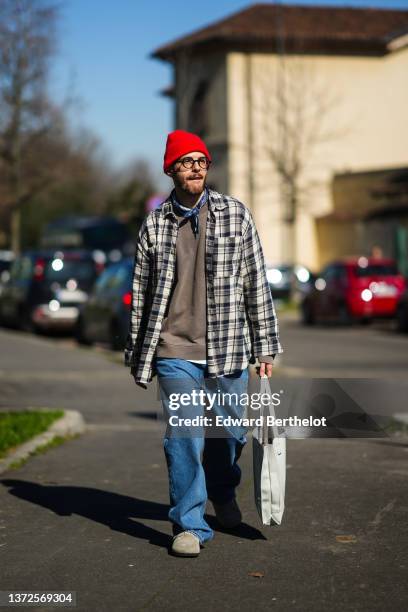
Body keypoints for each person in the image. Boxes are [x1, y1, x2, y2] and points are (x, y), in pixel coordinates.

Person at [125, 130, 283, 557]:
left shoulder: (235, 214)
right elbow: (140, 293)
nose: (196, 166)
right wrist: (139, 354)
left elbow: (256, 283)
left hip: (229, 348)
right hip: (174, 353)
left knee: (228, 436)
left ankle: (223, 492)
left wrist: (265, 345)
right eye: (187, 161)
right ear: (171, 169)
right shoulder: (155, 224)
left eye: (202, 160)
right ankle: (189, 524)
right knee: (184, 435)